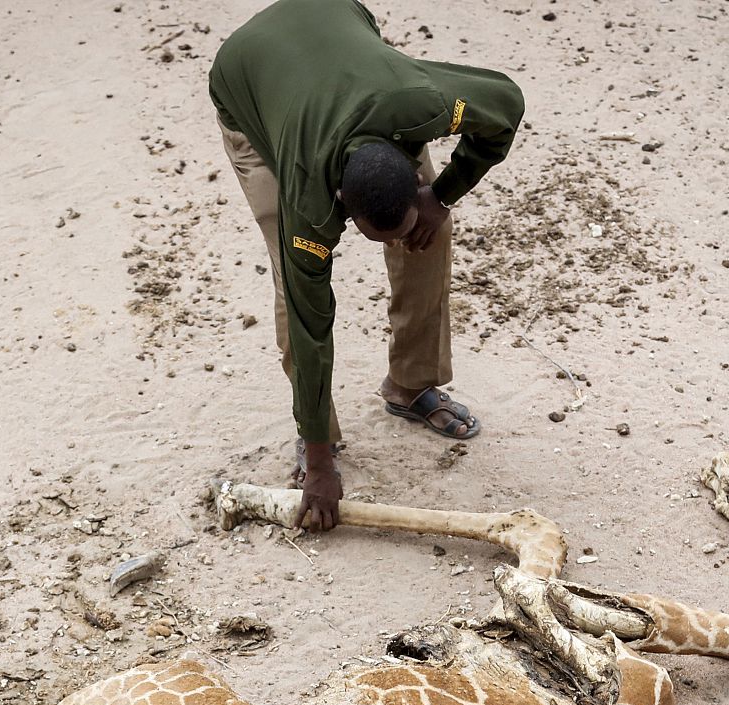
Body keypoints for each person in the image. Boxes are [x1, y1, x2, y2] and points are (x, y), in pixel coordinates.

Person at [209, 0, 525, 530]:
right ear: (339, 203)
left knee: (432, 233)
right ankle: (318, 436)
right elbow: (311, 325)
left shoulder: (420, 105)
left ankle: (410, 384)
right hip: (248, 88)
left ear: (412, 169)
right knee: (293, 282)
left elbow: (506, 103)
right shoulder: (310, 204)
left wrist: (443, 195)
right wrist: (319, 465)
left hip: (336, 15)